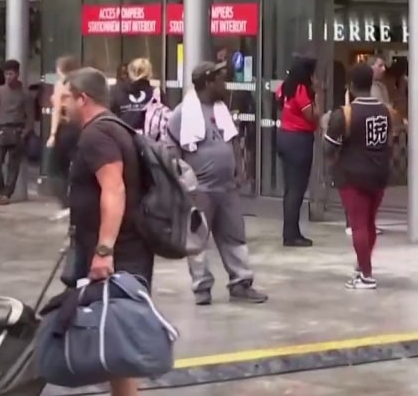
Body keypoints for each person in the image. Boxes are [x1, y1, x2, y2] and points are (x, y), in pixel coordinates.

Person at [60, 67, 152, 396]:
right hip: (123, 249)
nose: (63, 105)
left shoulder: (97, 134)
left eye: (67, 98)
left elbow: (114, 189)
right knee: (115, 340)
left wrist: (104, 250)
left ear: (83, 98)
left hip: (118, 253)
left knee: (116, 337)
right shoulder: (115, 128)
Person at [166, 61, 267, 305]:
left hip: (227, 188)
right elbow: (171, 149)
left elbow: (232, 141)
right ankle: (202, 288)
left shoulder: (222, 109)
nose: (224, 84)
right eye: (220, 80)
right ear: (208, 83)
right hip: (199, 190)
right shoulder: (182, 112)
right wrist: (181, 182)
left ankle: (241, 283)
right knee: (197, 240)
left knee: (235, 236)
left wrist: (240, 169)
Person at [324, 62, 393, 290]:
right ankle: (363, 265)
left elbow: (329, 148)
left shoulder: (344, 113)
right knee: (369, 223)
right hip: (379, 175)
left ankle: (366, 275)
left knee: (358, 225)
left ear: (351, 86)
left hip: (352, 176)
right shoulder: (385, 111)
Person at [275, 55, 319, 247]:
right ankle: (291, 235)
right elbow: (313, 117)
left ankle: (290, 231)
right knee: (297, 189)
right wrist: (319, 94)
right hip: (299, 140)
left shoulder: (285, 87)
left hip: (284, 136)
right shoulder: (301, 90)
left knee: (290, 188)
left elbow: (278, 103)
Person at [0, 59, 35, 205]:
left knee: (13, 166)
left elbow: (30, 116)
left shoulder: (25, 94)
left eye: (11, 73)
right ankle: (0, 190)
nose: (9, 77)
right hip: (1, 130)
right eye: (6, 74)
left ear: (17, 74)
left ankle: (7, 194)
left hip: (17, 131)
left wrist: (25, 133)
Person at [46, 55, 82, 219]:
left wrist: (53, 134)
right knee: (76, 165)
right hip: (81, 128)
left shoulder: (61, 85)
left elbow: (56, 111)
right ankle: (75, 202)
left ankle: (66, 203)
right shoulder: (82, 84)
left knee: (56, 168)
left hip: (65, 127)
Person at [110, 57, 156, 131]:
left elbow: (108, 116)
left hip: (123, 136)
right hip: (149, 138)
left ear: (130, 73)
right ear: (150, 73)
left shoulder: (115, 91)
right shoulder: (156, 93)